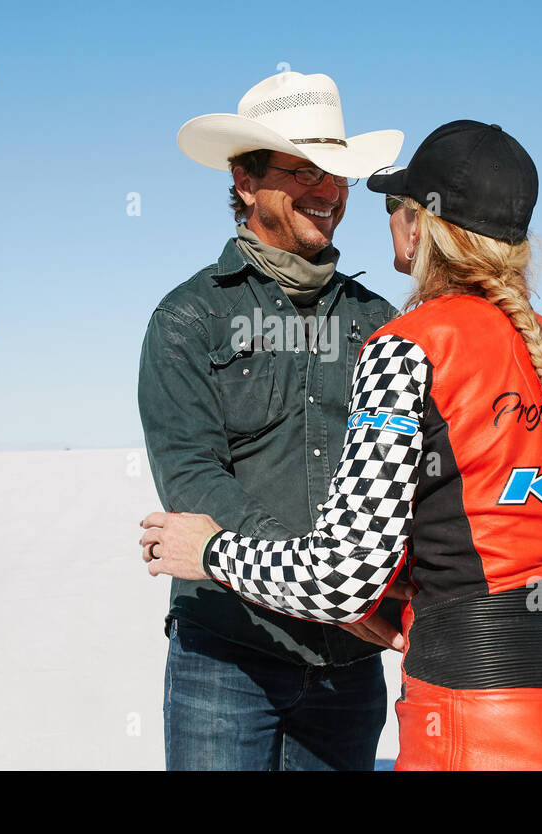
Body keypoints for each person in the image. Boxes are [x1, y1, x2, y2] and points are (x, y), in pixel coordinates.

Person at [141, 120, 542, 770]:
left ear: (423, 223)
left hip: (466, 719)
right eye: (304, 170)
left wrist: (209, 550)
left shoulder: (406, 340)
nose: (337, 193)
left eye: (395, 203)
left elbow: (348, 575)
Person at [137, 71, 409, 771]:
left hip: (350, 663)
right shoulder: (190, 317)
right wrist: (324, 587)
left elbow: (410, 477)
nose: (331, 192)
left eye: (339, 175)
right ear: (246, 180)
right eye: (305, 171)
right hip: (228, 656)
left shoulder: (380, 322)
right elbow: (193, 479)